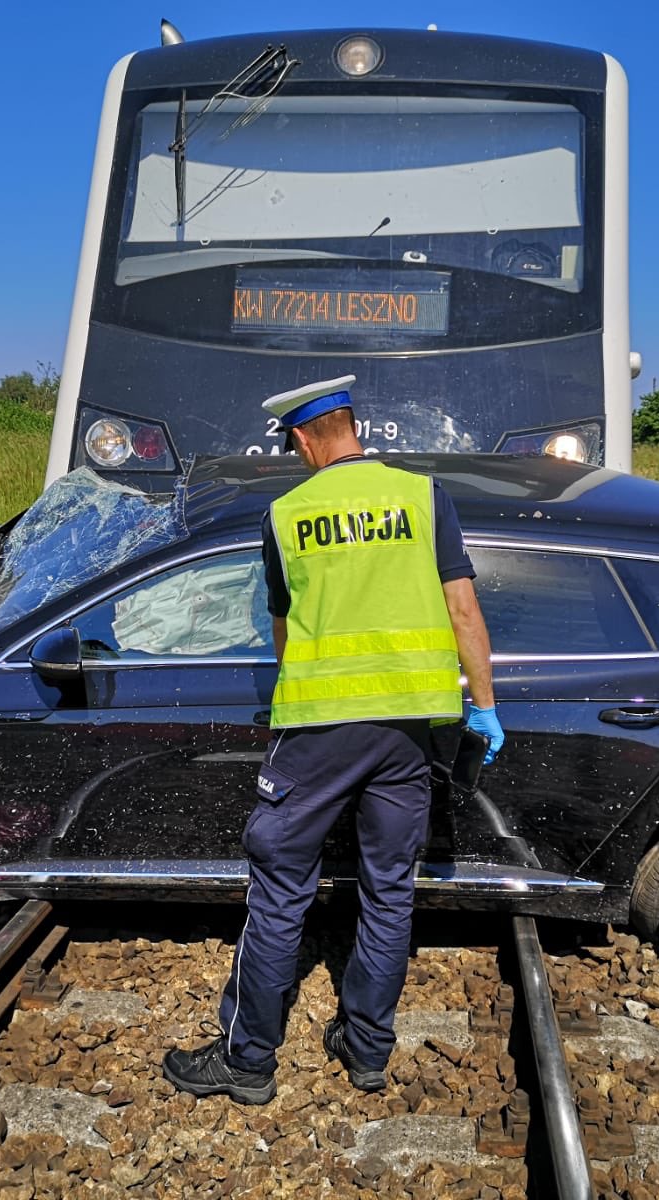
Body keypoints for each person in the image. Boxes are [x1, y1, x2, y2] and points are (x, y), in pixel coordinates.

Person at [163, 375, 504, 1105]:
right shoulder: (422, 495)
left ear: (302, 438)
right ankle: (367, 1050)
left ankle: (248, 1060)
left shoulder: (287, 515)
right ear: (355, 427)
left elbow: (283, 629)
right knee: (389, 893)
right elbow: (463, 609)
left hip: (318, 733)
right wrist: (483, 707)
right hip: (410, 730)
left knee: (280, 887)